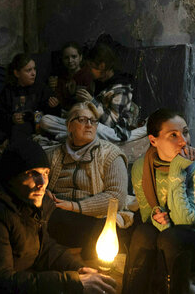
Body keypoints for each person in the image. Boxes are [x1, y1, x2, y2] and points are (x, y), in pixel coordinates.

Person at [0, 138, 117, 294]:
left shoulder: (28, 200)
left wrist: (78, 269)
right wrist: (71, 281)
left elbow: (41, 247)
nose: (42, 183)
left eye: (46, 173)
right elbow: (0, 283)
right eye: (33, 174)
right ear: (12, 176)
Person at [122, 108, 195, 294]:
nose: (183, 141)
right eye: (173, 135)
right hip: (164, 234)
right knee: (142, 232)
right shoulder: (141, 168)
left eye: (185, 132)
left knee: (171, 238)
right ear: (153, 141)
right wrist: (157, 217)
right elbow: (147, 215)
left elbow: (186, 220)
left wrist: (177, 170)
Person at [45, 101, 135, 261]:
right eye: (82, 120)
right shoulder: (54, 155)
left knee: (105, 231)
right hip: (58, 215)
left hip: (95, 218)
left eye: (93, 121)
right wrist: (46, 195)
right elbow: (38, 186)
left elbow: (116, 198)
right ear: (69, 126)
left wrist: (74, 206)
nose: (89, 125)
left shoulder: (110, 155)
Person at [40, 42, 146, 143]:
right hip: (90, 123)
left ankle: (72, 136)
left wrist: (92, 101)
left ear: (102, 66)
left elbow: (112, 123)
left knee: (95, 129)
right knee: (46, 120)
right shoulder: (96, 82)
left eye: (91, 66)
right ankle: (74, 135)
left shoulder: (121, 88)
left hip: (111, 131)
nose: (89, 70)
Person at [0, 53, 60, 144]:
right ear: (17, 73)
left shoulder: (41, 88)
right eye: (28, 70)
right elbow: (0, 116)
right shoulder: (8, 91)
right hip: (13, 128)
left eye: (34, 69)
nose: (33, 73)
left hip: (35, 128)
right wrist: (12, 119)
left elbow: (53, 116)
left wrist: (54, 106)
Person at [52, 41, 94, 111]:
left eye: (74, 57)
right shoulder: (61, 77)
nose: (70, 61)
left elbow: (88, 100)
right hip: (65, 113)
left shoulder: (87, 75)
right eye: (66, 58)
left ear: (80, 57)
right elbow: (59, 100)